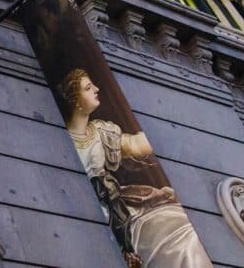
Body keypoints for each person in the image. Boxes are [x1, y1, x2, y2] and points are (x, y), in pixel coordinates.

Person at [61, 69, 212, 267]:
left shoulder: (101, 132)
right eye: (88, 88)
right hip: (93, 213)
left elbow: (134, 145)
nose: (96, 89)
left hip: (122, 210)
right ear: (76, 101)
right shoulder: (63, 137)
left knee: (181, 232)